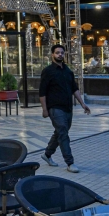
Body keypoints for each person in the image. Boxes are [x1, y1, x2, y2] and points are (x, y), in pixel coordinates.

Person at [39, 43, 91, 172]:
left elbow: (74, 89)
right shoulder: (48, 71)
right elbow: (42, 92)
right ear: (52, 54)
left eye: (62, 52)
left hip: (68, 108)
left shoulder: (68, 71)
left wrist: (83, 104)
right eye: (57, 52)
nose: (60, 54)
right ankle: (70, 163)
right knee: (63, 132)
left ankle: (47, 155)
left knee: (60, 132)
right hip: (54, 108)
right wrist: (45, 109)